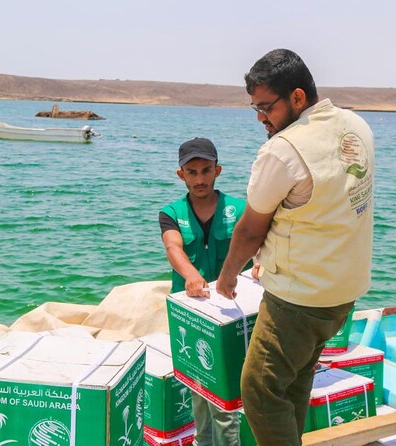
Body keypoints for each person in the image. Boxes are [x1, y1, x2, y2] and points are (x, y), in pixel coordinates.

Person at [216, 49, 375, 445]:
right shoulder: (357, 127)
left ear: (298, 98)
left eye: (266, 107)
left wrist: (227, 274)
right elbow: (327, 205)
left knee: (259, 389)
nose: (260, 118)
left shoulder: (285, 149)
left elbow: (251, 230)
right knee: (294, 381)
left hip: (299, 300)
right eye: (255, 108)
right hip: (342, 295)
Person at [159, 137, 243, 446]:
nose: (200, 179)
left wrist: (260, 260)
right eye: (191, 172)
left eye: (206, 170)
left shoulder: (240, 208)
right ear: (181, 175)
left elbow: (259, 243)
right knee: (198, 385)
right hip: (191, 312)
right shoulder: (171, 212)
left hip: (231, 311)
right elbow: (172, 245)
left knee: (226, 395)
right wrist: (191, 275)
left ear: (218, 170)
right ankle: (202, 441)